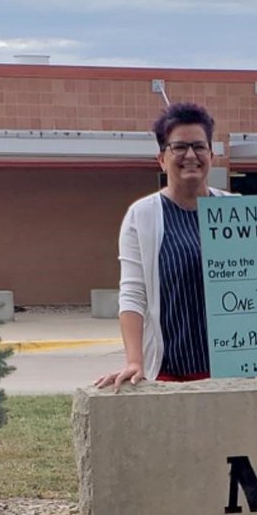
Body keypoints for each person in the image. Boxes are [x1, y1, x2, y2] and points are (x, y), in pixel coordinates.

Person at [94, 102, 233, 390]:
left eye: (199, 146)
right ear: (161, 158)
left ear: (212, 154)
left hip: (232, 375)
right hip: (171, 375)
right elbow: (132, 295)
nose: (191, 155)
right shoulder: (142, 216)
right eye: (179, 147)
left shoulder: (237, 210)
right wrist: (135, 362)